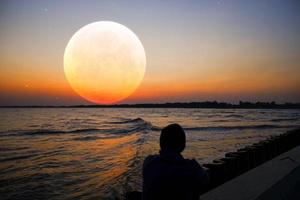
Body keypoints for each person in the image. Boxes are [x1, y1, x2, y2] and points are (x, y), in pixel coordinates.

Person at [142, 123, 209, 200]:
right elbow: (205, 180)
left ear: (161, 143)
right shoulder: (191, 167)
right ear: (183, 145)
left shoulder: (149, 162)